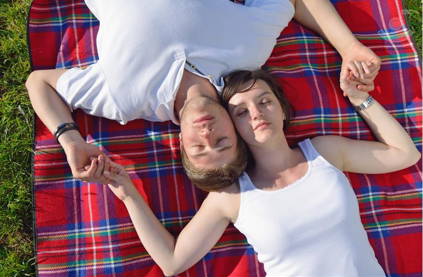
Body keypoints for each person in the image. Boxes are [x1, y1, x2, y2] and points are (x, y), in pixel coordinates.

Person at [97, 68, 420, 277]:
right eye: (240, 111)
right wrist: (127, 192)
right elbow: (172, 261)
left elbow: (403, 154)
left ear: (281, 109)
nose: (256, 114)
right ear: (232, 126)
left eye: (264, 101)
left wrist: (360, 98)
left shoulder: (323, 152)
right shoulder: (232, 196)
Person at [26, 0, 381, 186]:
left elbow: (38, 83)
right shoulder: (248, 53)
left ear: (180, 142)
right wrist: (349, 48)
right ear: (237, 131)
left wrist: (69, 140)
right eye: (222, 143)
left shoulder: (123, 100)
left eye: (200, 146)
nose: (208, 134)